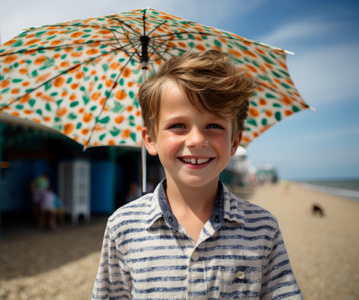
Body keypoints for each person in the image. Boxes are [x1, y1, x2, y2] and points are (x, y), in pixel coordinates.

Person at [92, 50, 302, 299]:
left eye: (213, 126)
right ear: (150, 139)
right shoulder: (122, 227)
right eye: (177, 125)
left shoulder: (262, 228)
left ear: (234, 143)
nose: (196, 140)